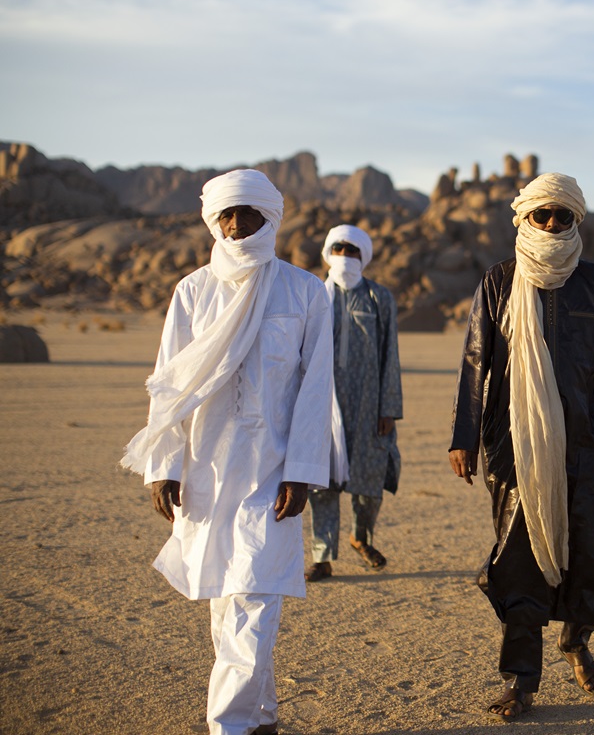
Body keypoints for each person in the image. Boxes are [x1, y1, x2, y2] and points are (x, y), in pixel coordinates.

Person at [120, 169, 333, 735]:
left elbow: (316, 390)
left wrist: (305, 472)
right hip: (208, 468)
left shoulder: (306, 291)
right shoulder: (192, 291)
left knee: (254, 596)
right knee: (225, 600)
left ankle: (229, 726)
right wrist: (162, 466)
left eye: (250, 214)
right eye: (227, 216)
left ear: (273, 217)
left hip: (274, 468)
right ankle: (261, 716)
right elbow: (169, 385)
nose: (238, 226)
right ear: (213, 220)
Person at [449, 172, 594, 721]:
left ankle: (576, 640)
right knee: (519, 561)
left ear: (576, 220)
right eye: (542, 215)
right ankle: (521, 680)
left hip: (585, 445)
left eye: (563, 216)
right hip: (514, 447)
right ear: (524, 219)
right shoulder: (498, 281)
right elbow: (474, 367)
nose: (552, 224)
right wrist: (463, 437)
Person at [305, 224, 403, 581]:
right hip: (322, 404)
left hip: (368, 405)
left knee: (368, 480)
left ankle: (361, 538)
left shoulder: (379, 298)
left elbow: (390, 354)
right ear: (328, 253)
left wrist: (388, 407)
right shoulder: (314, 295)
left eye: (352, 250)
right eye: (339, 248)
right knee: (321, 482)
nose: (345, 256)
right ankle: (321, 556)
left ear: (364, 256)